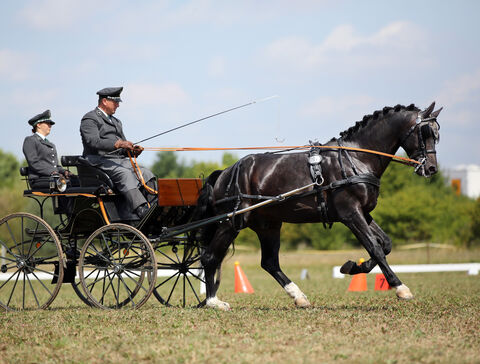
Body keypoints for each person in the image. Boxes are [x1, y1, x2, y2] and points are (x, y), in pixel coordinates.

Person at [80, 87, 156, 219]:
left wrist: (132, 151)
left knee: (146, 173)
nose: (118, 105)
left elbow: (122, 148)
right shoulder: (90, 119)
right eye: (115, 102)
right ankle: (141, 210)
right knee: (124, 174)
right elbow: (93, 141)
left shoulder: (116, 122)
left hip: (118, 161)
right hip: (98, 161)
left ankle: (155, 206)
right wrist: (118, 144)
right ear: (104, 101)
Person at [23, 110, 74, 189]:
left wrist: (65, 172)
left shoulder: (51, 144)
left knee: (76, 181)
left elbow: (56, 166)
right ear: (39, 125)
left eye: (50, 124)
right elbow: (34, 163)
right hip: (38, 179)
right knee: (63, 184)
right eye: (47, 123)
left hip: (52, 178)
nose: (50, 126)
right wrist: (52, 172)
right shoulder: (30, 140)